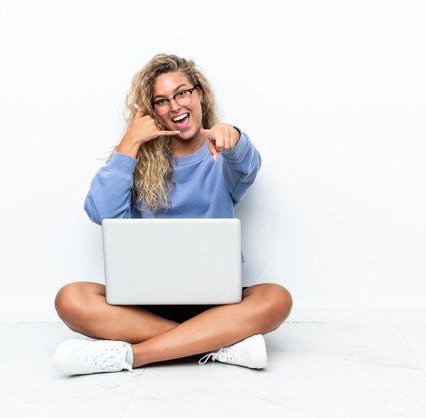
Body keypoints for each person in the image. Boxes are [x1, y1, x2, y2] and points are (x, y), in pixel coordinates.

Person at [53, 54, 293, 375]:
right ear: (153, 113)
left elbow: (248, 164)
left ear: (199, 95)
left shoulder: (222, 156)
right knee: (70, 299)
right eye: (162, 101)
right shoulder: (137, 160)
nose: (175, 105)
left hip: (217, 304)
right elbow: (102, 213)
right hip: (145, 304)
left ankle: (132, 356)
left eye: (182, 93)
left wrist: (233, 136)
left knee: (276, 298)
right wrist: (131, 141)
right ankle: (220, 345)